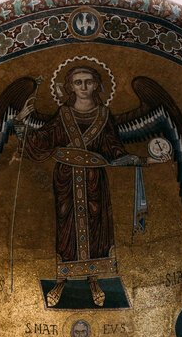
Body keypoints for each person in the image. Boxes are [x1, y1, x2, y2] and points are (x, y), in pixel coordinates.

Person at [15, 64, 140, 307]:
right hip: (66, 178)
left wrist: (135, 159)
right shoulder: (63, 114)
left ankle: (94, 280)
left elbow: (114, 147)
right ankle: (62, 279)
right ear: (70, 87)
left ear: (97, 86)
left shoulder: (104, 115)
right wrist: (20, 121)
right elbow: (41, 141)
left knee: (97, 226)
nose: (83, 86)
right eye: (78, 82)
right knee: (67, 228)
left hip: (94, 179)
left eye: (88, 82)